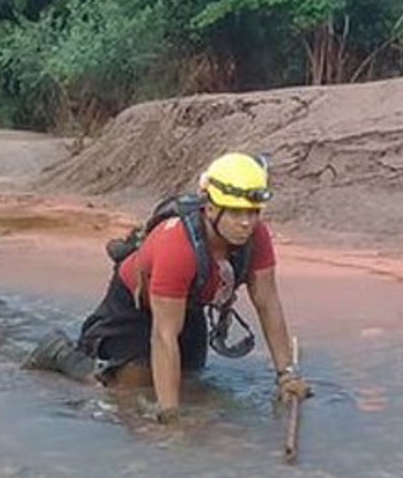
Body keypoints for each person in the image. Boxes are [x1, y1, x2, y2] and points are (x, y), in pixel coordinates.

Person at [24, 152, 310, 422]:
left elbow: (268, 302)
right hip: (138, 303)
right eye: (235, 213)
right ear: (210, 208)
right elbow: (164, 334)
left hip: (189, 301)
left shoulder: (256, 237)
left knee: (191, 379)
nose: (246, 223)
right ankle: (60, 352)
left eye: (253, 212)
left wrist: (286, 375)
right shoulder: (178, 246)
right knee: (127, 388)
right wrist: (170, 417)